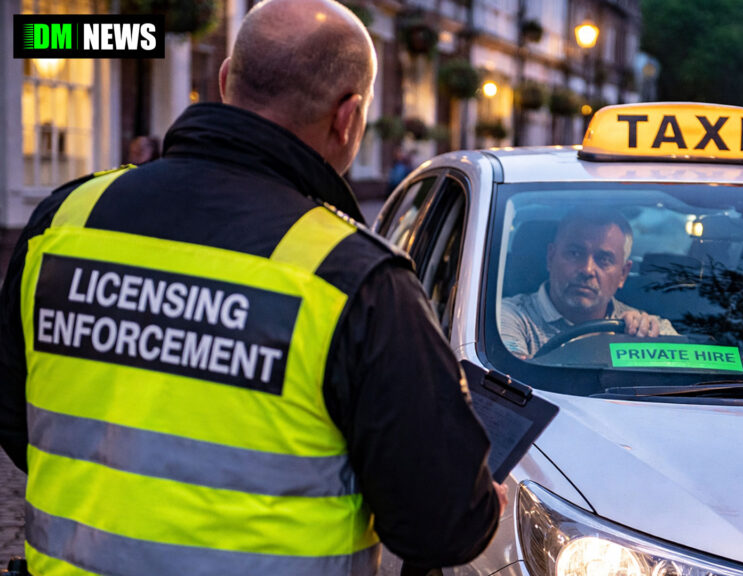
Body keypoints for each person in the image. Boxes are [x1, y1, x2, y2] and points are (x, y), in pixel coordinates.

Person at [0, 0, 505, 574]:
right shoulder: (353, 279)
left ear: (224, 81)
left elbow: (19, 422)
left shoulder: (65, 220)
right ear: (350, 115)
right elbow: (439, 526)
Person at [501, 208, 677, 358]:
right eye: (575, 253)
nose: (587, 270)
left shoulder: (650, 328)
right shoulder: (506, 317)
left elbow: (691, 382)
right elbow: (508, 383)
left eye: (604, 259)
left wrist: (641, 342)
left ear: (623, 274)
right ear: (551, 257)